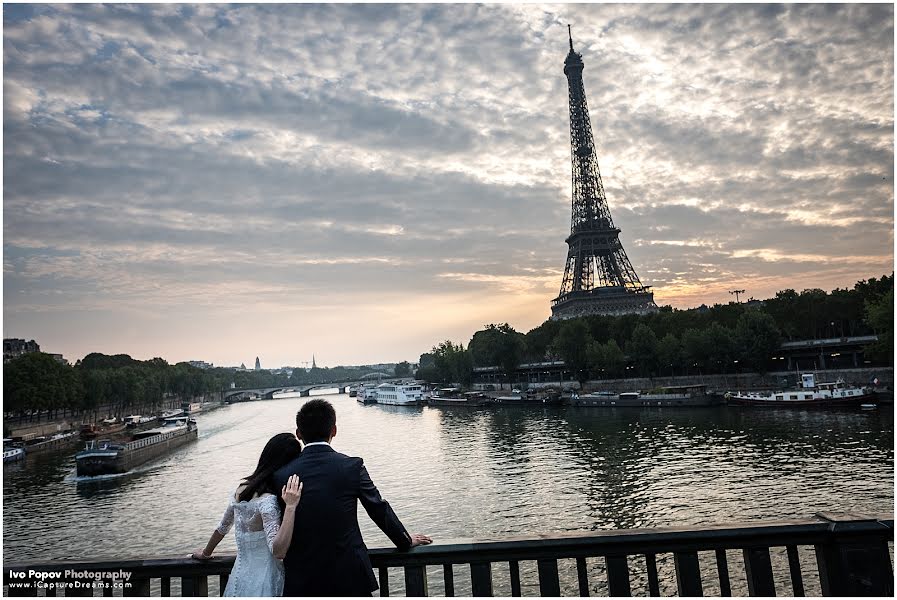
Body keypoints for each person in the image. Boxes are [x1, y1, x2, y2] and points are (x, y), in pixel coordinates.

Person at [274, 399, 432, 596]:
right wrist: (405, 540)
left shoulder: (281, 475)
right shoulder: (352, 467)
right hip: (350, 574)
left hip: (302, 580)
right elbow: (378, 509)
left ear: (299, 433)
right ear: (334, 430)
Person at [192, 432, 303, 596]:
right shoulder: (268, 501)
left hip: (240, 575)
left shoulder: (241, 490)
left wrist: (206, 553)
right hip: (267, 579)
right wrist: (290, 507)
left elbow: (223, 527)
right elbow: (277, 550)